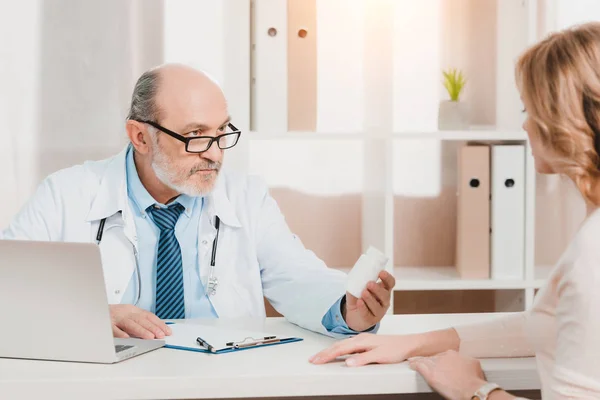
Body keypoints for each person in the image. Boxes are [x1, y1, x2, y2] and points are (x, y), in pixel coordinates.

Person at [311, 22, 600, 400]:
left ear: (564, 121)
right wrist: (413, 343)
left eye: (530, 109)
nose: (525, 124)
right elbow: (544, 325)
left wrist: (474, 390)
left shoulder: (592, 254)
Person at [1, 64, 395, 340]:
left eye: (222, 132)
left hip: (220, 380)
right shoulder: (66, 194)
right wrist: (87, 317)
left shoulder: (246, 198)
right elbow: (9, 291)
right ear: (140, 137)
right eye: (195, 135)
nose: (216, 154)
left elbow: (298, 278)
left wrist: (346, 312)